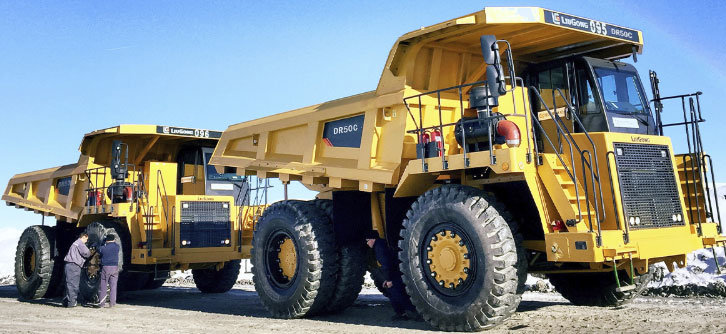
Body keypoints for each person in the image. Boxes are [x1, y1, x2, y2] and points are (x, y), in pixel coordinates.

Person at [365, 231, 421, 321]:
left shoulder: (378, 247)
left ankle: (407, 313)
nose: (367, 243)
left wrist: (388, 279)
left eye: (368, 241)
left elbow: (385, 264)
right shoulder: (383, 244)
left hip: (392, 275)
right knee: (400, 292)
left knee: (396, 294)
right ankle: (405, 312)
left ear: (373, 239)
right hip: (397, 272)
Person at [63, 232, 91, 308]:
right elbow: (87, 253)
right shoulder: (80, 243)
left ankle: (68, 301)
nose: (86, 241)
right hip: (74, 266)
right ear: (84, 237)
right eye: (86, 239)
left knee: (69, 283)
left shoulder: (75, 243)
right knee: (74, 284)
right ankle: (72, 303)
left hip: (69, 265)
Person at [94, 234, 120, 308]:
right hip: (115, 267)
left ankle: (102, 303)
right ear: (114, 239)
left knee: (103, 286)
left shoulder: (103, 248)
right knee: (113, 286)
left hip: (106, 268)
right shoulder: (117, 247)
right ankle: (112, 303)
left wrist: (102, 242)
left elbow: (99, 250)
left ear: (107, 240)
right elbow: (115, 244)